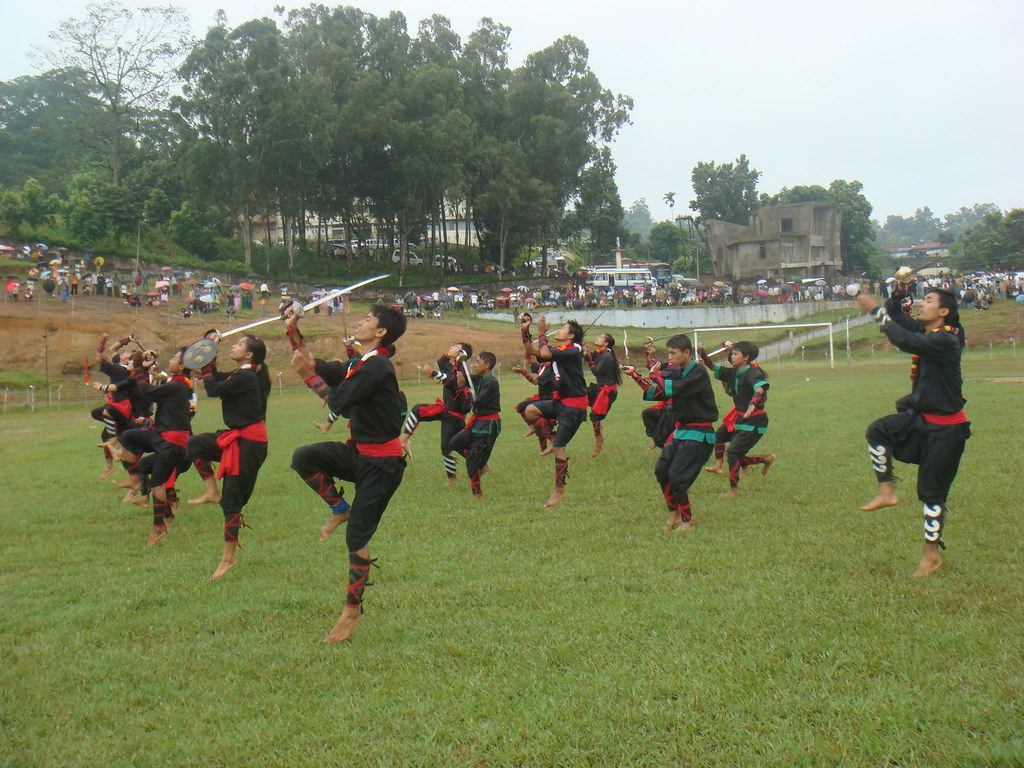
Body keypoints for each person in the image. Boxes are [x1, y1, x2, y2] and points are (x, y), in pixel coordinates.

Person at [289, 305, 408, 643]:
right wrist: (293, 333)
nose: (359, 322)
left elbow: (337, 399)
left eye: (367, 320)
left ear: (381, 332)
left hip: (382, 467)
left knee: (356, 539)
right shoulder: (359, 363)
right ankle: (341, 508)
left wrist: (307, 378)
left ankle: (351, 612)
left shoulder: (378, 366)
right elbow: (318, 367)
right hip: (357, 453)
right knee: (304, 458)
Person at [856, 286, 970, 577]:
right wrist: (896, 296)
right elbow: (899, 320)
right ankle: (887, 491)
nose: (922, 304)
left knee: (931, 494)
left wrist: (874, 311)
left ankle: (931, 556)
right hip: (921, 419)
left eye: (929, 301)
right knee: (878, 430)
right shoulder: (928, 334)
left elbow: (902, 338)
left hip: (947, 430)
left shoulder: (945, 339)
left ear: (944, 312)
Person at [186, 335, 270, 581]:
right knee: (195, 444)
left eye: (239, 344)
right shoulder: (240, 374)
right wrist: (207, 351)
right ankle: (212, 491)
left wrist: (205, 358)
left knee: (232, 502)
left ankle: (228, 558)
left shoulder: (246, 376)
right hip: (239, 438)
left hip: (250, 445)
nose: (234, 345)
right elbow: (216, 378)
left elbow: (213, 389)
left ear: (249, 355)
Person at [96, 348, 195, 545]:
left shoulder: (179, 386)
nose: (171, 359)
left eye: (174, 357)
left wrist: (140, 369)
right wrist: (144, 370)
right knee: (132, 445)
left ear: (182, 366)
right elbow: (154, 391)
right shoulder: (174, 384)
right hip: (164, 437)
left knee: (158, 482)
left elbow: (147, 392)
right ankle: (137, 482)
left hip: (171, 442)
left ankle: (159, 527)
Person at [624, 334, 718, 530]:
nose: (670, 356)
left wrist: (655, 375)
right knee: (661, 470)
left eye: (674, 353)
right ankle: (674, 513)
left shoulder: (698, 372)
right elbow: (656, 391)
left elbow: (675, 388)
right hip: (681, 431)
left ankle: (688, 520)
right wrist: (635, 375)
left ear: (686, 353)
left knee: (677, 476)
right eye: (669, 353)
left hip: (699, 433)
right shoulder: (676, 371)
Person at [520, 314, 587, 508]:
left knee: (560, 447)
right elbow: (532, 350)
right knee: (530, 410)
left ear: (571, 336)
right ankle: (551, 439)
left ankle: (560, 490)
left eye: (564, 329)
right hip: (561, 402)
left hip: (574, 406)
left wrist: (542, 333)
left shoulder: (574, 350)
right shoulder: (563, 349)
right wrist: (525, 330)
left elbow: (545, 354)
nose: (559, 330)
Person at [699, 341, 776, 495]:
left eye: (735, 354)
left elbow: (759, 387)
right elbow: (713, 367)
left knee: (734, 452)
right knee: (719, 435)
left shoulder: (753, 372)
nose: (732, 357)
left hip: (755, 421)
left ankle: (734, 489)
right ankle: (719, 465)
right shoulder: (733, 372)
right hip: (740, 419)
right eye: (732, 353)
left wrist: (752, 404)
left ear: (746, 357)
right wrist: (703, 354)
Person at [400, 343, 473, 485]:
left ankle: (468, 470)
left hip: (454, 416)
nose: (451, 347)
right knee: (418, 410)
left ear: (462, 352)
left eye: (455, 346)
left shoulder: (461, 370)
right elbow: (442, 362)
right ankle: (404, 438)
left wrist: (433, 373)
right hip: (446, 411)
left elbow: (451, 382)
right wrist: (450, 356)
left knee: (449, 447)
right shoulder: (453, 366)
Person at [446, 352, 501, 498]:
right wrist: (458, 364)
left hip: (488, 425)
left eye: (478, 362)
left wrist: (469, 393)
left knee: (472, 461)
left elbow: (478, 400)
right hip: (477, 423)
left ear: (487, 365)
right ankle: (480, 463)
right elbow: (465, 378)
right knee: (454, 442)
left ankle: (477, 492)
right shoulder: (479, 379)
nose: (475, 364)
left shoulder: (492, 382)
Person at [585, 333, 622, 457]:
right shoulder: (600, 353)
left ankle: (598, 442)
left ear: (606, 343)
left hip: (607, 391)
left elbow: (596, 371)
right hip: (599, 388)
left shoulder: (606, 356)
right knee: (579, 394)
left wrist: (590, 359)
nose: (597, 338)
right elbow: (588, 356)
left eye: (601, 337)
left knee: (595, 417)